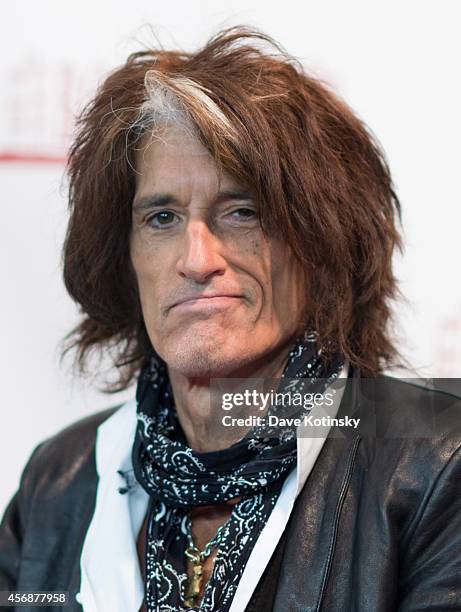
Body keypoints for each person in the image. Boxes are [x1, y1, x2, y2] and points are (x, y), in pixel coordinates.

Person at [1, 25, 460, 612]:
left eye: (242, 212)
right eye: (162, 218)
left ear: (322, 245)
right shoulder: (59, 478)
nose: (196, 261)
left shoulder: (439, 460)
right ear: (126, 255)